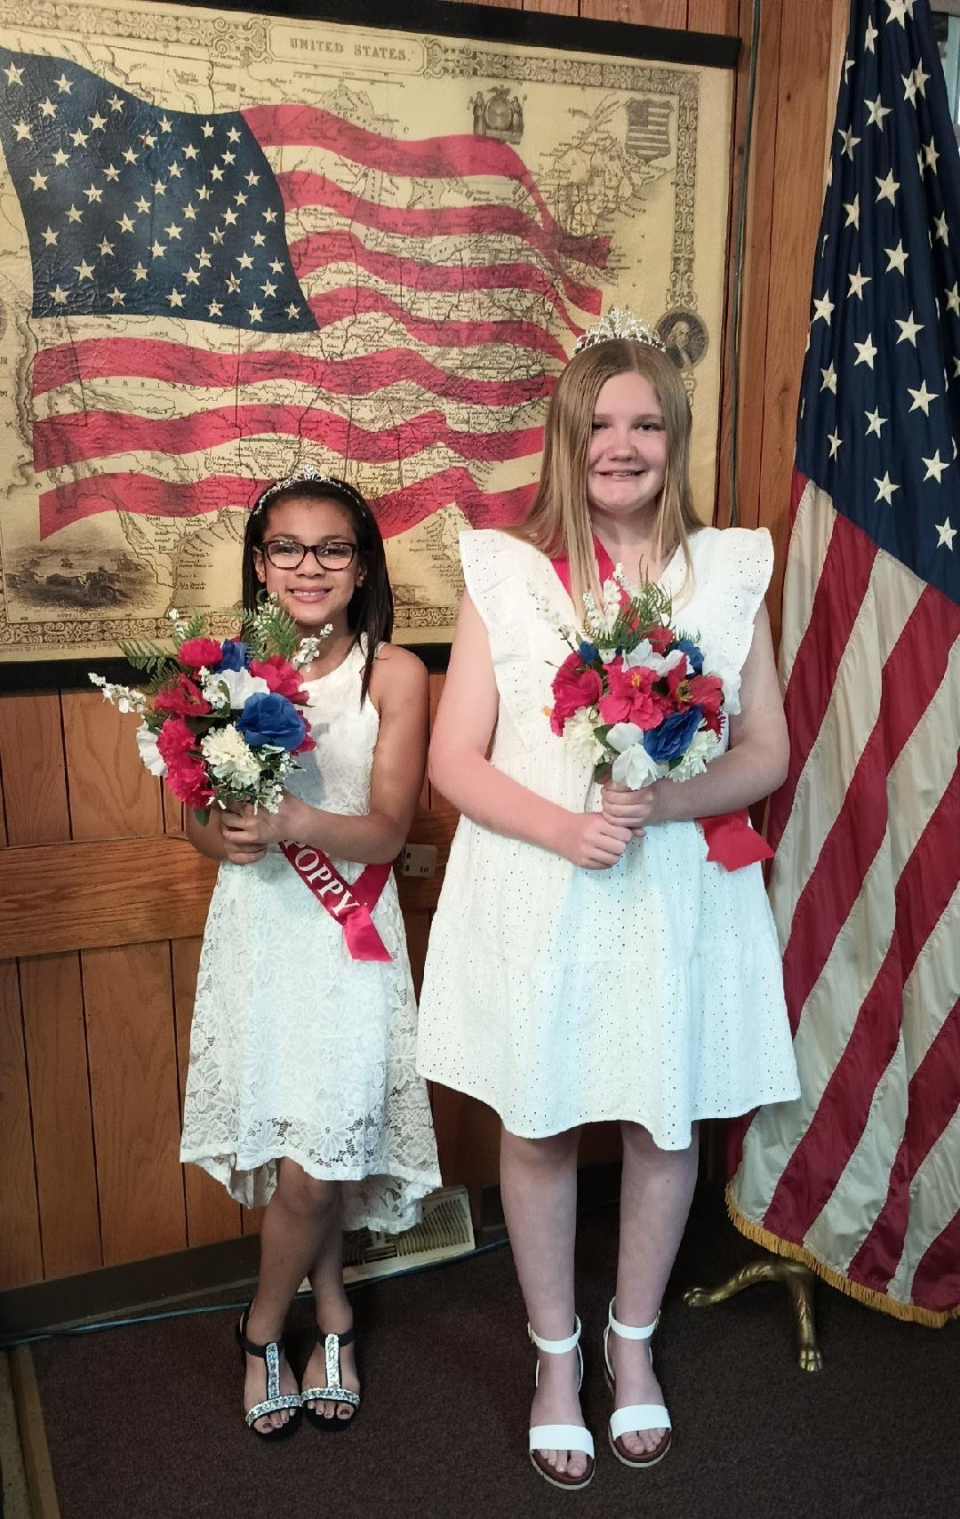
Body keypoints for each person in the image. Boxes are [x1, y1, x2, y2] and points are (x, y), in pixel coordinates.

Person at [416, 312, 800, 1489]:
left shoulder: (726, 569)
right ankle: (552, 1354)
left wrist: (668, 808)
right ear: (565, 433)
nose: (622, 442)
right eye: (600, 420)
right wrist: (565, 825)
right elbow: (455, 760)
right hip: (542, 884)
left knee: (661, 1117)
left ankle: (632, 1347)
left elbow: (767, 750)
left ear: (673, 436)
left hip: (673, 893)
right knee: (539, 1121)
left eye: (646, 421)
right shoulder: (508, 569)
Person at [181, 466, 441, 1441]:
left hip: (348, 937)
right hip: (258, 935)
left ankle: (256, 1331)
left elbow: (381, 831)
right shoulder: (225, 669)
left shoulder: (395, 674)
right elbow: (197, 826)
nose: (309, 565)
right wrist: (232, 836)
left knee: (315, 1163)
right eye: (286, 547)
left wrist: (290, 814)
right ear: (259, 562)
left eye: (332, 547)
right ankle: (330, 1306)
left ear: (361, 561)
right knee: (311, 1151)